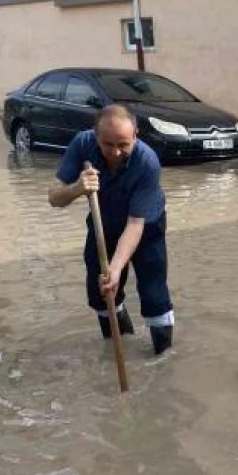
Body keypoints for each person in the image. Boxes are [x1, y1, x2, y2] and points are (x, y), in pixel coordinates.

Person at [49, 105, 175, 355]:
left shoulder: (147, 162)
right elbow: (54, 198)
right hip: (103, 223)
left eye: (123, 144)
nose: (116, 152)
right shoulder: (82, 145)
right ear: (95, 135)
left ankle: (164, 358)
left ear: (136, 135)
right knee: (101, 293)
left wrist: (116, 268)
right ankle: (120, 346)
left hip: (145, 226)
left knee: (153, 294)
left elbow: (135, 224)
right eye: (108, 144)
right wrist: (77, 188)